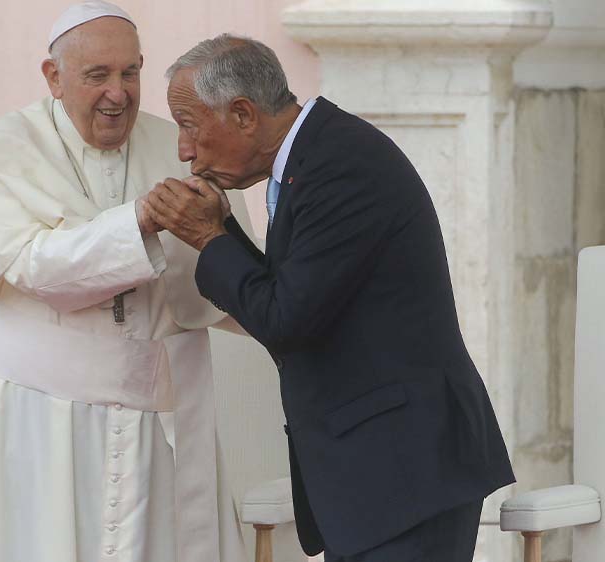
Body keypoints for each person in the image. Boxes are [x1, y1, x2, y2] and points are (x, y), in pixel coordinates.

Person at [145, 34, 515, 562]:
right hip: (376, 478)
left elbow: (286, 320)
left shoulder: (340, 165)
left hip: (403, 472)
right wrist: (223, 227)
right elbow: (292, 295)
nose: (183, 150)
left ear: (245, 114)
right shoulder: (314, 156)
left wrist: (210, 239)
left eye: (189, 126)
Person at [0, 4, 248, 562]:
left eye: (130, 73)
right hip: (42, 426)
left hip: (165, 423)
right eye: (97, 75)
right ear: (53, 77)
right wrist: (140, 221)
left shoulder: (181, 149)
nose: (118, 93)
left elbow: (236, 275)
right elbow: (34, 266)